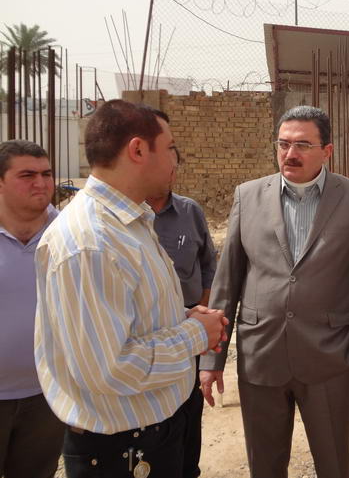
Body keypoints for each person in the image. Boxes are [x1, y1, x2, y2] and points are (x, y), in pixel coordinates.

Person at [34, 99, 227, 478]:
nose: (175, 160)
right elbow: (110, 368)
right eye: (170, 148)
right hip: (121, 453)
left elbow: (130, 316)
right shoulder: (90, 242)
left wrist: (184, 317)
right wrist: (193, 335)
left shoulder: (129, 221)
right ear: (138, 150)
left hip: (149, 437)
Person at [200, 105, 349, 478]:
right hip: (261, 356)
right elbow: (227, 282)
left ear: (327, 151)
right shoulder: (248, 196)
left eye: (303, 145)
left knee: (334, 465)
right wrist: (212, 360)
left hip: (330, 359)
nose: (290, 154)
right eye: (283, 144)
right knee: (265, 467)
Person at [146, 147, 217, 478]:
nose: (171, 174)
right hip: (150, 336)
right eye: (166, 166)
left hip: (189, 333)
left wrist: (202, 311)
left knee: (190, 411)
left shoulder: (190, 211)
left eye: (175, 168)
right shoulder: (131, 218)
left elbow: (208, 263)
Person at [0, 140, 65, 478]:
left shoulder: (68, 233)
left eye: (47, 174)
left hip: (47, 397)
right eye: (27, 175)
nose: (41, 183)